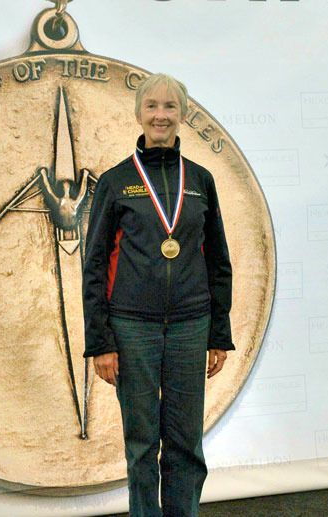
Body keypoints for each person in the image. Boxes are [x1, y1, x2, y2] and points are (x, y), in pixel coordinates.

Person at [82, 73, 235, 517]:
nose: (161, 115)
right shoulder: (116, 182)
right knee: (143, 444)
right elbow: (93, 267)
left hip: (191, 326)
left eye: (170, 107)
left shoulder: (201, 181)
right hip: (132, 331)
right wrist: (101, 342)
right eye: (152, 106)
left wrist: (218, 334)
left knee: (186, 443)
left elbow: (218, 262)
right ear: (139, 114)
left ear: (182, 115)